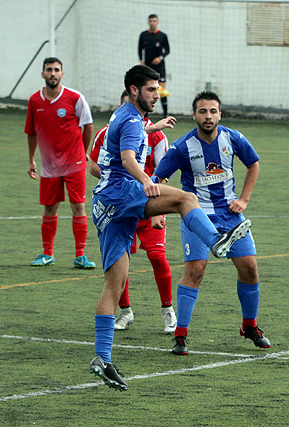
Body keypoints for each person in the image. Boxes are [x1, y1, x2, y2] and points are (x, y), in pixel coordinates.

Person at [89, 65, 251, 391]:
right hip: (124, 194)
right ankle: (216, 241)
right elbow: (129, 156)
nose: (156, 94)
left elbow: (126, 140)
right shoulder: (133, 120)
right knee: (186, 198)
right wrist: (147, 182)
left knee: (114, 284)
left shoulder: (122, 115)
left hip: (104, 206)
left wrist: (155, 127)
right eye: (151, 89)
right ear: (135, 90)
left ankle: (102, 358)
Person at [154, 91, 270, 356]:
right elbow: (157, 179)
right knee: (196, 270)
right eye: (203, 111)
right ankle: (180, 335)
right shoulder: (182, 147)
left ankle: (250, 326)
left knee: (250, 267)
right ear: (194, 115)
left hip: (230, 214)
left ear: (220, 114)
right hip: (195, 214)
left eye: (213, 111)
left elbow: (253, 164)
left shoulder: (233, 138)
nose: (208, 116)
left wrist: (244, 199)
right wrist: (158, 213)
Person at [89, 89, 178, 334]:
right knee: (120, 262)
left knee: (157, 256)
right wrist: (114, 178)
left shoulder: (157, 137)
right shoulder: (107, 132)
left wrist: (158, 208)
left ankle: (168, 310)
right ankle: (125, 311)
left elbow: (163, 172)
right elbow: (94, 165)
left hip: (148, 203)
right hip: (119, 205)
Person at [24, 57, 96, 268]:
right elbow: (30, 132)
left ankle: (80, 255)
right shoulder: (34, 101)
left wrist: (83, 152)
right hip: (49, 166)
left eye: (56, 70)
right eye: (49, 70)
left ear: (62, 74)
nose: (53, 73)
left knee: (78, 206)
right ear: (43, 74)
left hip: (74, 163)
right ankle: (47, 253)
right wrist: (31, 160)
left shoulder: (75, 98)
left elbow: (88, 126)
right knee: (49, 208)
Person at [138, 14, 171, 117]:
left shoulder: (162, 36)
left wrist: (160, 58)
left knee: (161, 90)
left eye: (154, 21)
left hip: (160, 67)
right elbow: (140, 50)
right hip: (148, 67)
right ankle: (146, 113)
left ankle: (165, 114)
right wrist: (141, 61)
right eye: (151, 21)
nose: (152, 23)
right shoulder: (143, 35)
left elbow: (168, 50)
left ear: (157, 22)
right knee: (147, 88)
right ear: (148, 22)